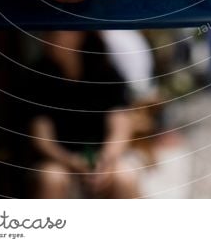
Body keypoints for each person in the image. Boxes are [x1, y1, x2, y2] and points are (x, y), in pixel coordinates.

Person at [25, 30, 140, 199]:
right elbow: (43, 140)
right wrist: (72, 161)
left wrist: (104, 160)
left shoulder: (107, 74)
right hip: (61, 161)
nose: (48, 38)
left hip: (105, 158)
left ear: (80, 35)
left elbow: (120, 129)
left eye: (57, 32)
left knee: (124, 176)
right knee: (51, 178)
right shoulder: (37, 79)